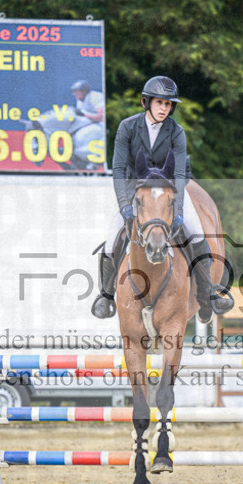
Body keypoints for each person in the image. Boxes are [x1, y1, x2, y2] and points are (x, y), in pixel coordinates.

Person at [91, 75, 234, 323]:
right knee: (111, 237)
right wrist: (126, 206)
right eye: (160, 103)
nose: (164, 109)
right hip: (138, 193)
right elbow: (119, 171)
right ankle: (106, 295)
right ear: (146, 102)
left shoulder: (176, 132)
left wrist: (177, 210)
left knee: (197, 232)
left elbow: (179, 175)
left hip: (170, 192)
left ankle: (208, 293)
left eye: (168, 104)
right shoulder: (127, 127)